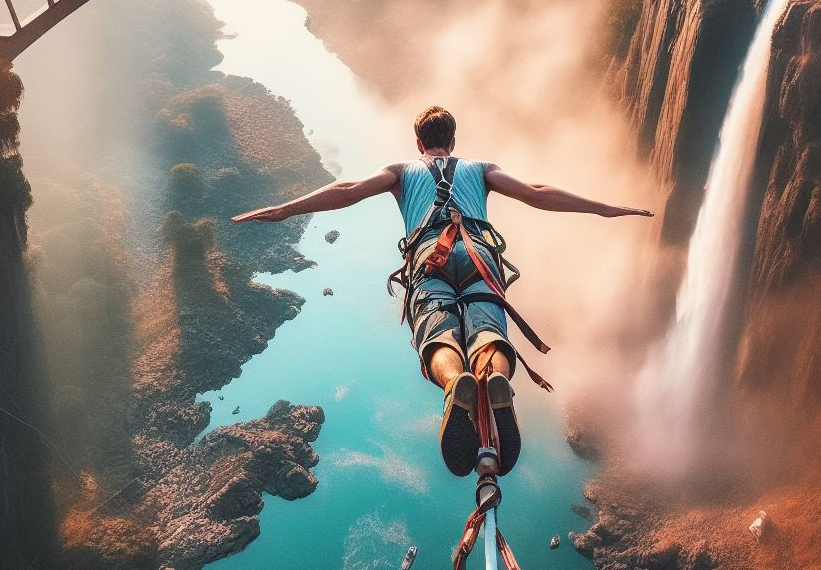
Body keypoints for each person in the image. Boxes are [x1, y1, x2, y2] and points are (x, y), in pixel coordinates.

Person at [233, 106, 652, 477]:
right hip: (478, 253)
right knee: (488, 329)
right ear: (453, 141)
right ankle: (496, 380)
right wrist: (604, 208)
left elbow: (347, 191)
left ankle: (456, 384)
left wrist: (286, 209)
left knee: (436, 333)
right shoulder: (482, 168)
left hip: (429, 255)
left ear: (419, 143)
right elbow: (536, 193)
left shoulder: (400, 171)